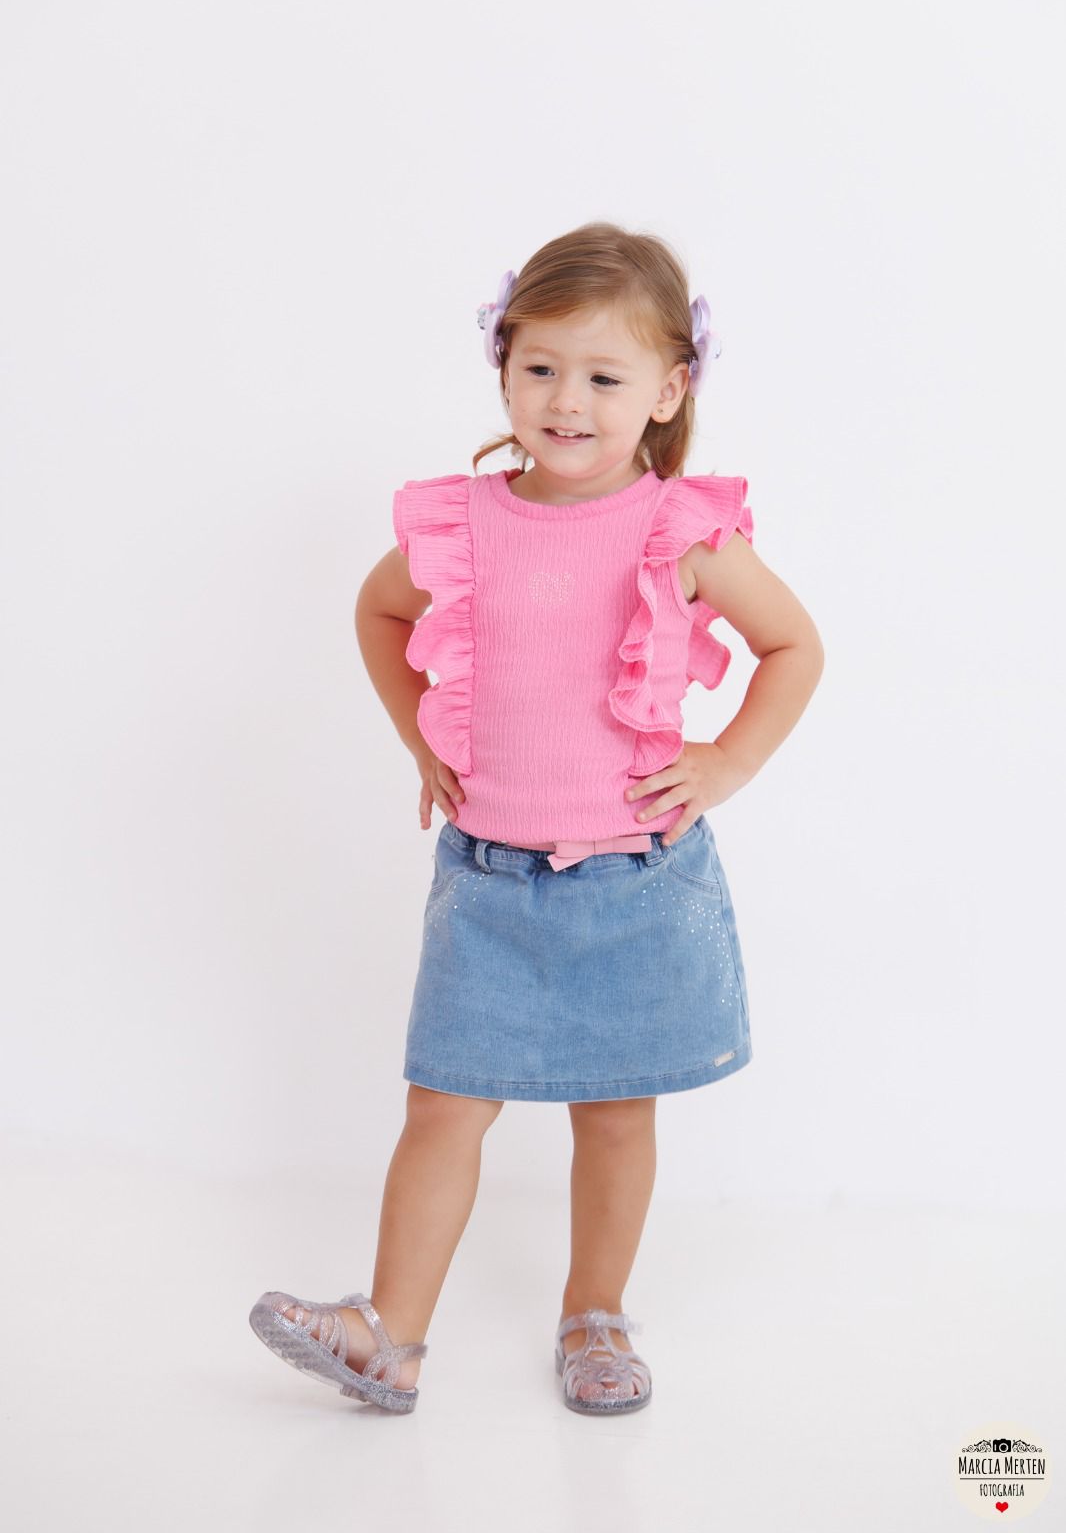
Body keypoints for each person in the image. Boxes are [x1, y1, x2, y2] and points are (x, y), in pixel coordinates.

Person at [249, 220, 824, 1416]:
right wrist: (422, 736)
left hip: (635, 882)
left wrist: (725, 760)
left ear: (668, 390)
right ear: (502, 367)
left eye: (604, 377)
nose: (566, 401)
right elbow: (377, 613)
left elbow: (794, 646)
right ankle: (389, 1335)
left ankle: (593, 1314)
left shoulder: (679, 531)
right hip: (488, 881)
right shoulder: (465, 523)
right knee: (441, 1106)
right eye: (540, 368)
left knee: (614, 1116)